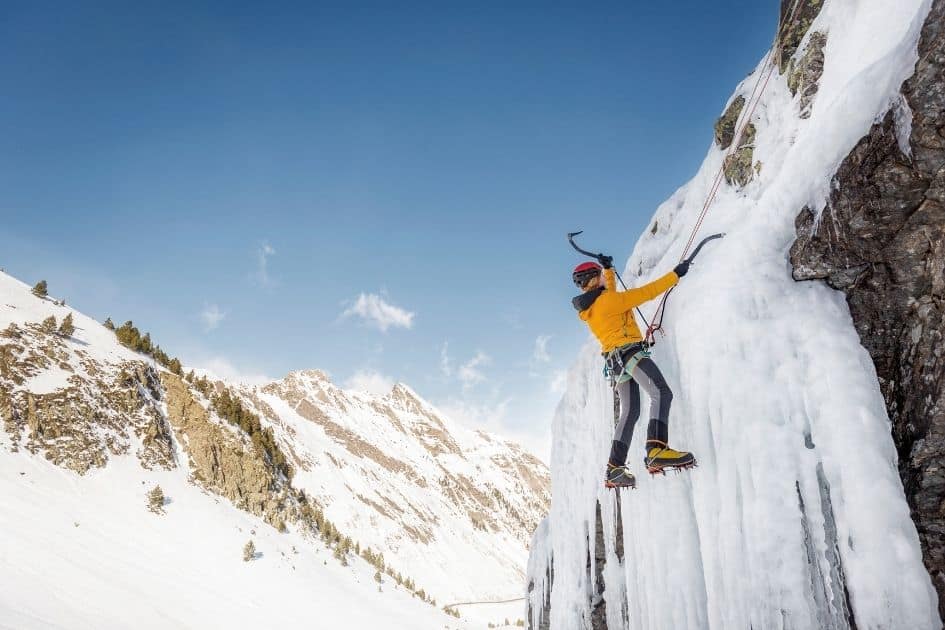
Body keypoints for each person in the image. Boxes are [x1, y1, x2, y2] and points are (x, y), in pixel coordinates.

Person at [571, 255, 695, 488]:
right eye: (599, 275)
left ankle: (614, 468)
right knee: (661, 393)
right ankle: (656, 449)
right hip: (629, 353)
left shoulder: (594, 304)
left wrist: (608, 269)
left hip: (615, 361)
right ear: (593, 279)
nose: (603, 279)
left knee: (630, 412)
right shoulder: (608, 301)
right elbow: (646, 293)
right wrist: (675, 274)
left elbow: (610, 293)